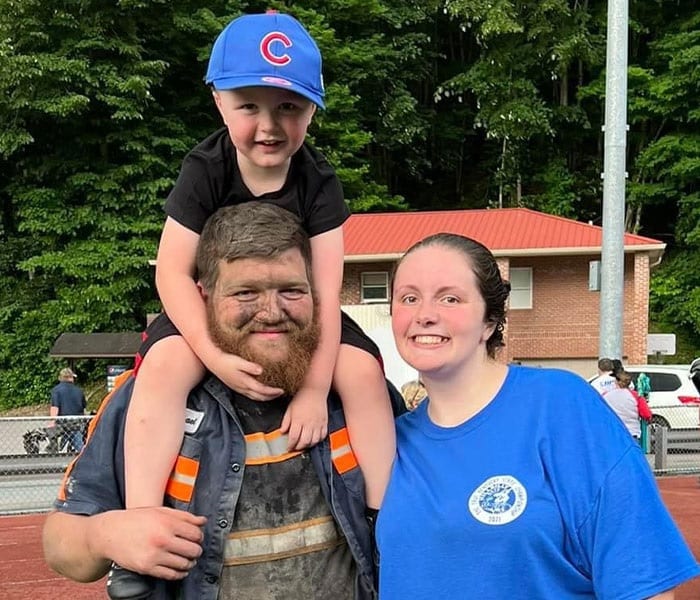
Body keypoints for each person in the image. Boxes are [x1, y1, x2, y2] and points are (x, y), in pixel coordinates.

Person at [118, 11, 395, 597]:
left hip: (299, 310)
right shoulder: (205, 168)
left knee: (362, 371)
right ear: (219, 103)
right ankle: (143, 523)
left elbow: (325, 290)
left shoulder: (318, 180)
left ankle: (384, 521)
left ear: (312, 111)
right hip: (211, 307)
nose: (269, 126)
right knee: (164, 366)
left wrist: (315, 390)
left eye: (288, 107)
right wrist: (212, 356)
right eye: (250, 106)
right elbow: (171, 272)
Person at [43, 203, 401, 600]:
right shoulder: (147, 397)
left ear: (317, 293)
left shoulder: (360, 395)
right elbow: (61, 544)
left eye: (292, 290)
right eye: (245, 292)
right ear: (204, 296)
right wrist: (104, 535)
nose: (271, 312)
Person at [376, 232, 700, 599]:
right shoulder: (392, 440)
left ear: (489, 321)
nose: (425, 315)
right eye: (409, 298)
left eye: (450, 298)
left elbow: (645, 585)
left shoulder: (560, 406)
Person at [602, 369, 651, 441]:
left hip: (612, 433)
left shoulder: (605, 396)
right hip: (631, 433)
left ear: (616, 381)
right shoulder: (637, 396)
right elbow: (647, 415)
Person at [49, 367, 87, 453]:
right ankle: (83, 453)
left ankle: (54, 451)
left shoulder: (56, 390)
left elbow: (55, 407)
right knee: (77, 440)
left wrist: (52, 421)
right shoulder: (79, 391)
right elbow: (83, 407)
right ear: (70, 378)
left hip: (63, 422)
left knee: (53, 434)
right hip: (77, 422)